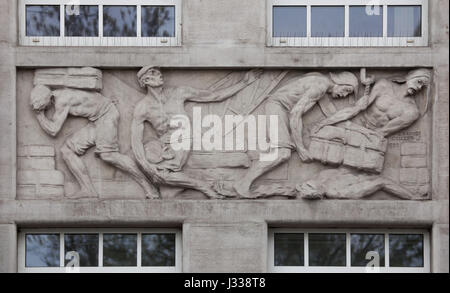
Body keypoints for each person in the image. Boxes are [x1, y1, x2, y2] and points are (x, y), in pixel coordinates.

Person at [131, 66, 263, 199]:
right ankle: (201, 186)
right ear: (146, 80)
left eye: (159, 72)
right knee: (164, 188)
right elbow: (136, 141)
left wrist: (244, 83)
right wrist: (146, 166)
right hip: (164, 147)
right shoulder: (142, 107)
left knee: (164, 180)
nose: (160, 75)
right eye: (154, 73)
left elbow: (214, 96)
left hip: (182, 143)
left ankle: (203, 186)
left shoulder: (179, 93)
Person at [230, 71, 359, 198]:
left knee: (284, 151)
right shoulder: (320, 86)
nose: (344, 95)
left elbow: (330, 113)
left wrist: (358, 108)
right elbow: (296, 114)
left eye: (348, 93)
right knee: (282, 153)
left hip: (282, 109)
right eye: (346, 89)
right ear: (339, 81)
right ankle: (243, 184)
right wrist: (301, 148)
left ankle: (244, 183)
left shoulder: (320, 81)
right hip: (278, 108)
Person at [30, 85, 158, 199]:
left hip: (106, 115)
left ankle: (149, 186)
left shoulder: (62, 100)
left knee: (108, 155)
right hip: (97, 120)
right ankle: (88, 190)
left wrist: (40, 116)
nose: (43, 108)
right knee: (67, 150)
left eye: (41, 105)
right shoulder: (59, 95)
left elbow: (53, 130)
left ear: (48, 98)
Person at [312, 68, 431, 138]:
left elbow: (383, 132)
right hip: (354, 123)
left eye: (422, 86)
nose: (419, 87)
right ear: (410, 77)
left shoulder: (411, 111)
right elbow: (355, 110)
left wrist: (363, 136)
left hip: (369, 135)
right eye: (419, 81)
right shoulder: (384, 85)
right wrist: (323, 123)